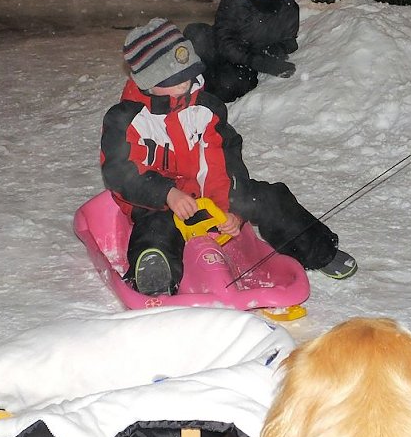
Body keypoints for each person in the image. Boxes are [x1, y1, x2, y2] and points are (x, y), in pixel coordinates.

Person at [100, 18, 357, 296]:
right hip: (155, 200)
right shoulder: (126, 119)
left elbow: (223, 160)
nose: (184, 84)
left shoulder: (206, 108)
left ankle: (319, 251)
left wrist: (231, 208)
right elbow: (119, 172)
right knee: (157, 226)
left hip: (207, 194)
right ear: (147, 82)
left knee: (269, 198)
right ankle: (155, 274)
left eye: (188, 74)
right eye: (172, 80)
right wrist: (167, 194)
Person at [184, 0, 300, 103]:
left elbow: (289, 41)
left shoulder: (288, 6)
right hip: (225, 52)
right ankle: (188, 83)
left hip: (244, 65)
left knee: (228, 84)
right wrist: (252, 59)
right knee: (195, 34)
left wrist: (273, 52)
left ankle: (203, 95)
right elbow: (223, 38)